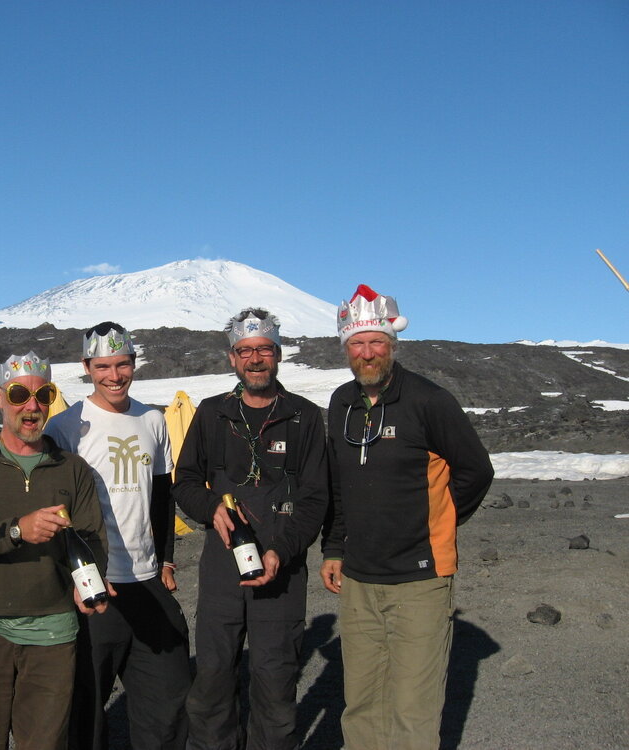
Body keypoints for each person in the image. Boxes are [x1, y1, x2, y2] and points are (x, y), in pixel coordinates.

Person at [319, 284, 494, 750]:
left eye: (377, 342)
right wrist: (334, 548)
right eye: (357, 343)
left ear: (393, 344)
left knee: (412, 708)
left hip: (421, 576)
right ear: (346, 348)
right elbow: (339, 483)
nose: (367, 352)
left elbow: (476, 470)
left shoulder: (428, 400)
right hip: (359, 578)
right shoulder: (341, 403)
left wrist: (437, 519)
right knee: (362, 702)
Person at [173, 308, 329, 750]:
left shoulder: (303, 417)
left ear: (278, 354)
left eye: (263, 350)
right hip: (222, 569)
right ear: (232, 359)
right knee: (213, 681)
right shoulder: (212, 414)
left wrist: (282, 548)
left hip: (282, 571)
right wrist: (210, 509)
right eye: (245, 351)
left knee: (275, 683)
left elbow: (316, 497)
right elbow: (184, 481)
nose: (255, 359)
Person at [0, 351, 110, 750]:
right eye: (19, 395)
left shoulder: (71, 468)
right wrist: (17, 531)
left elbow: (92, 539)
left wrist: (86, 586)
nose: (32, 407)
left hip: (55, 635)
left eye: (43, 396)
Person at [45, 322, 191, 750]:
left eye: (122, 364)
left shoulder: (152, 419)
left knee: (166, 703)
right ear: (86, 367)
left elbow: (162, 497)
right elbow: (59, 511)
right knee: (86, 711)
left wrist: (164, 558)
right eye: (103, 366)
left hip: (145, 579)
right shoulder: (66, 427)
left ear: (134, 363)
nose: (114, 375)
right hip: (95, 583)